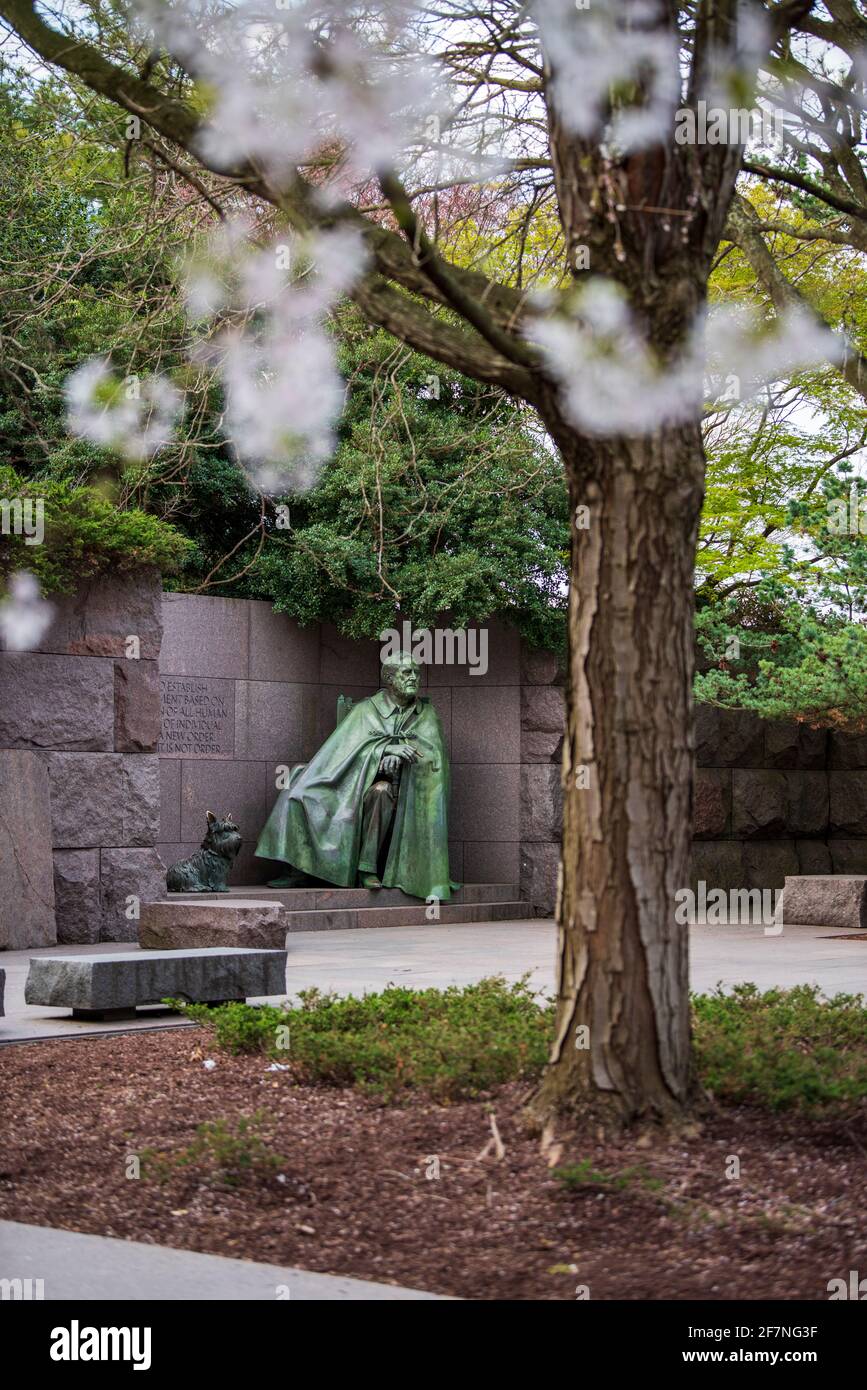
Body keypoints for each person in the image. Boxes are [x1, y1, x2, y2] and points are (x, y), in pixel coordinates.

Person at [255, 652, 456, 901]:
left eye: (416, 672)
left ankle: (366, 868)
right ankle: (300, 867)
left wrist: (402, 760)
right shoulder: (364, 710)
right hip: (347, 783)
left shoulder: (425, 715)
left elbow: (433, 758)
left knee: (381, 793)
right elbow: (339, 752)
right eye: (407, 673)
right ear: (389, 678)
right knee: (299, 792)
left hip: (396, 788)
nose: (413, 677)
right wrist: (383, 751)